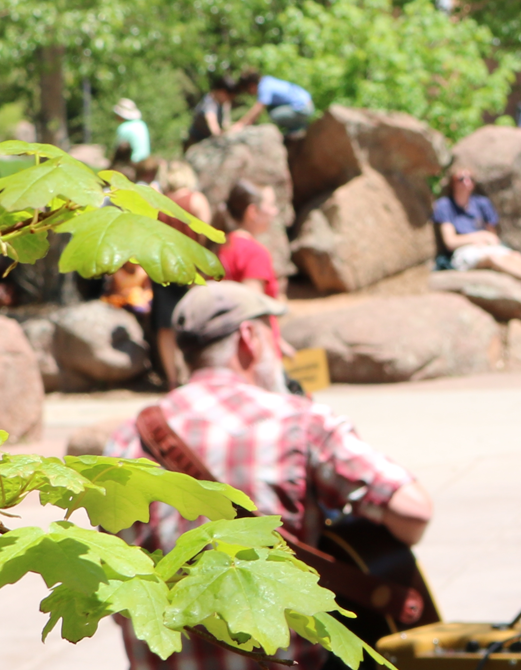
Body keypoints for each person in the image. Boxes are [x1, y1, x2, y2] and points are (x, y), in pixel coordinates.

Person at [106, 282, 434, 670]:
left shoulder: (125, 442)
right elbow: (414, 511)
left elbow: (118, 600)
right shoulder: (299, 422)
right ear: (249, 337)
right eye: (272, 334)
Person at [434, 168, 521, 298]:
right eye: (461, 179)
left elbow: (492, 235)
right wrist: (478, 237)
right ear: (452, 183)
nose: (466, 182)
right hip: (465, 251)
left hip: (485, 246)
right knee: (493, 259)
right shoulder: (445, 206)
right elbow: (450, 242)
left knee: (514, 256)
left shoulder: (481, 203)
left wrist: (488, 239)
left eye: (470, 179)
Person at [152, 162, 216, 389]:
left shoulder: (157, 202)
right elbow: (204, 234)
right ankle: (192, 377)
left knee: (165, 327)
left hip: (162, 268)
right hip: (190, 269)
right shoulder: (196, 200)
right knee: (193, 323)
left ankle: (172, 379)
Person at [219, 181, 282, 299]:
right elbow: (252, 308)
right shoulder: (254, 253)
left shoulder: (220, 245)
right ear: (253, 212)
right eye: (270, 205)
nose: (275, 211)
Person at [228, 68, 316, 136]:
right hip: (306, 104)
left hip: (303, 108)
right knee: (272, 109)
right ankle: (298, 127)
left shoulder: (264, 87)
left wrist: (241, 124)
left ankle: (298, 129)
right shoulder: (267, 80)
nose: (250, 94)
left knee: (274, 114)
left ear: (251, 86)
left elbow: (258, 108)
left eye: (248, 91)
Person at [186, 74, 233, 148]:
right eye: (228, 96)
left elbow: (226, 124)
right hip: (196, 143)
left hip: (208, 141)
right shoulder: (209, 102)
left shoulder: (223, 104)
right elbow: (213, 125)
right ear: (221, 92)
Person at [112, 99, 150, 167]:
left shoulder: (123, 128)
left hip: (133, 162)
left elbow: (120, 150)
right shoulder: (142, 124)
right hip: (145, 161)